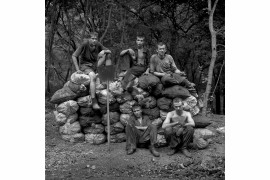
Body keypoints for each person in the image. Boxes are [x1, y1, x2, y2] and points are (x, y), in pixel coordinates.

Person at [72, 32, 111, 109]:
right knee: (93, 76)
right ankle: (94, 101)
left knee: (108, 54)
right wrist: (77, 69)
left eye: (95, 39)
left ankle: (109, 74)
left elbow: (109, 51)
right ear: (89, 39)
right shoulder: (84, 44)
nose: (94, 40)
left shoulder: (98, 44)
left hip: (94, 65)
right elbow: (74, 56)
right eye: (92, 38)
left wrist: (104, 51)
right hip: (85, 66)